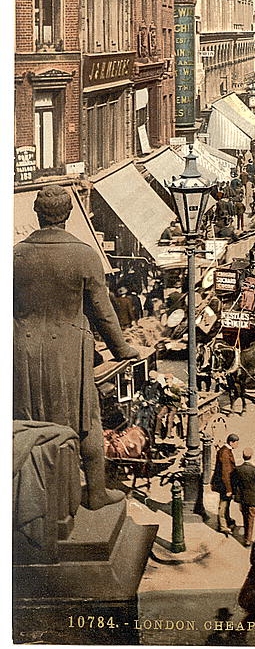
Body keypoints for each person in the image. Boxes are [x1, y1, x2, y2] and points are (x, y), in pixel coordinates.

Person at [13, 185, 140, 511]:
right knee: (87, 422)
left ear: (37, 214)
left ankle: (32, 500)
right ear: (69, 214)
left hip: (21, 353)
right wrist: (123, 349)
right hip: (68, 355)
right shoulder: (84, 255)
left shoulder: (15, 255)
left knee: (27, 424)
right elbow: (103, 313)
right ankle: (95, 493)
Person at [231, 447, 255, 547]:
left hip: (242, 498)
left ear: (243, 456)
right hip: (253, 498)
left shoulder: (238, 469)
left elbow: (235, 484)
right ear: (251, 456)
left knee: (245, 517)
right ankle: (248, 539)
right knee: (251, 519)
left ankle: (247, 536)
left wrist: (235, 495)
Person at [211, 433, 240, 534]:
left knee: (227, 502)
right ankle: (223, 526)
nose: (237, 445)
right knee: (223, 505)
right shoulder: (225, 453)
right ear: (231, 442)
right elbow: (225, 473)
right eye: (236, 443)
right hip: (224, 484)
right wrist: (228, 489)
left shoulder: (225, 450)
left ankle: (227, 519)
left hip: (224, 483)